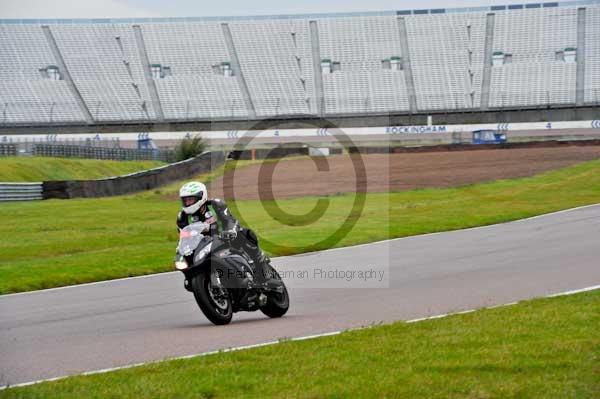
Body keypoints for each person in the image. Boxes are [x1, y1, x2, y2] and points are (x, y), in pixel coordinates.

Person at [176, 181, 273, 284]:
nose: (187, 203)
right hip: (203, 247)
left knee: (245, 233)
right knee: (184, 262)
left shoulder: (215, 204)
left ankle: (261, 264)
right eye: (185, 200)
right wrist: (181, 250)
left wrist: (230, 231)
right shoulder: (182, 217)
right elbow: (184, 236)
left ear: (201, 196)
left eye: (190, 200)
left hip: (224, 238)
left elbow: (229, 220)